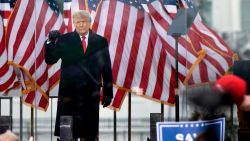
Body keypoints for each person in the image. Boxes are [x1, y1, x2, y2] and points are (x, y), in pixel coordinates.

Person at [44, 10, 113, 141]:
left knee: (89, 135)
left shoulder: (100, 41)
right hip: (69, 94)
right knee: (68, 133)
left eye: (83, 22)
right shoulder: (64, 40)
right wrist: (50, 42)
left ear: (89, 23)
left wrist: (108, 92)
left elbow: (106, 68)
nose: (81, 25)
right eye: (78, 22)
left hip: (90, 93)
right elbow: (50, 60)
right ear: (74, 23)